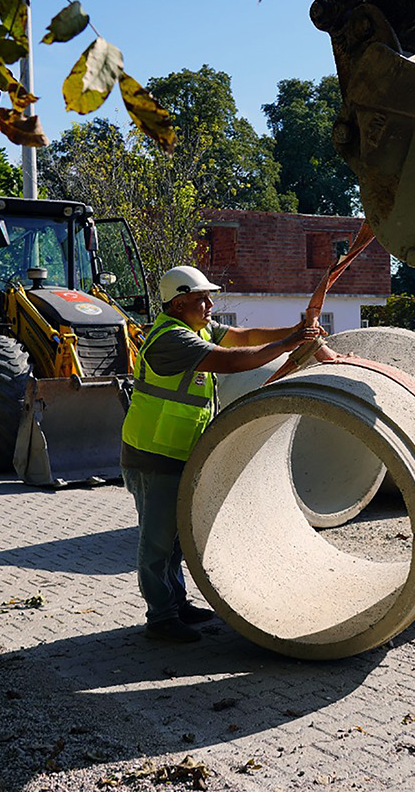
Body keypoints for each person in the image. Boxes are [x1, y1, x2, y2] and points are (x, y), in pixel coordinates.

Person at [121, 264, 323, 642]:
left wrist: (296, 335)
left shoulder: (194, 327)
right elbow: (230, 360)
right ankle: (161, 618)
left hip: (178, 451)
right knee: (157, 541)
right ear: (179, 303)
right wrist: (284, 347)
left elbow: (244, 336)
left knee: (177, 537)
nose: (210, 304)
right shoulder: (171, 340)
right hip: (154, 455)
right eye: (202, 299)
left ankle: (176, 604)